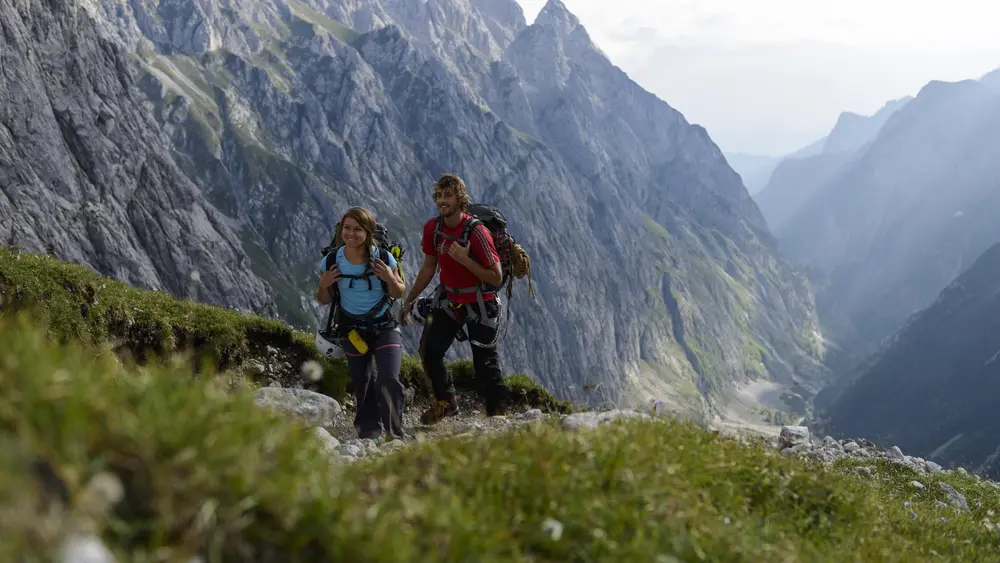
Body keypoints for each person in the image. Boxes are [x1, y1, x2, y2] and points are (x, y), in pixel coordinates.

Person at [400, 173, 510, 424]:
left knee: (485, 363)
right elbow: (429, 266)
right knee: (429, 351)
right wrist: (410, 298)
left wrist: (465, 260)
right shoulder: (433, 228)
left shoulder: (478, 233)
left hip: (481, 303)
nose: (442, 200)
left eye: (447, 195)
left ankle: (498, 419)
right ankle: (446, 402)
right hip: (451, 300)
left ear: (460, 199)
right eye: (439, 195)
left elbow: (495, 277)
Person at [316, 206, 407, 440]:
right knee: (362, 380)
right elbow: (323, 298)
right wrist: (324, 283)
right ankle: (368, 432)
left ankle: (394, 435)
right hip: (351, 329)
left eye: (358, 229)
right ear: (341, 230)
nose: (351, 233)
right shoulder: (332, 260)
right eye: (347, 228)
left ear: (368, 232)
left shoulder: (383, 258)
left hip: (384, 326)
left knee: (389, 378)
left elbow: (398, 292)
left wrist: (389, 278)